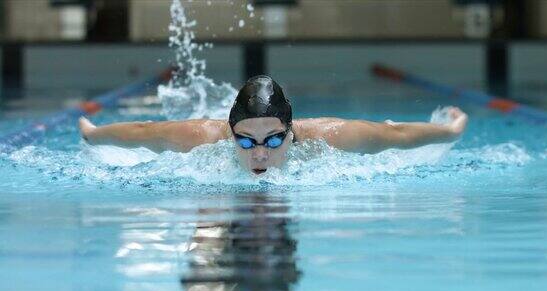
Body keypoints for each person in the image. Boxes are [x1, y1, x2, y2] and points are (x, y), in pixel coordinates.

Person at [79, 75, 468, 175]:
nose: (261, 154)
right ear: (230, 134)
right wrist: (94, 134)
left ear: (291, 130)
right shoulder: (202, 139)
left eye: (274, 140)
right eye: (245, 143)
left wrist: (449, 132)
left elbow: (392, 135)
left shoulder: (328, 138)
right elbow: (146, 132)